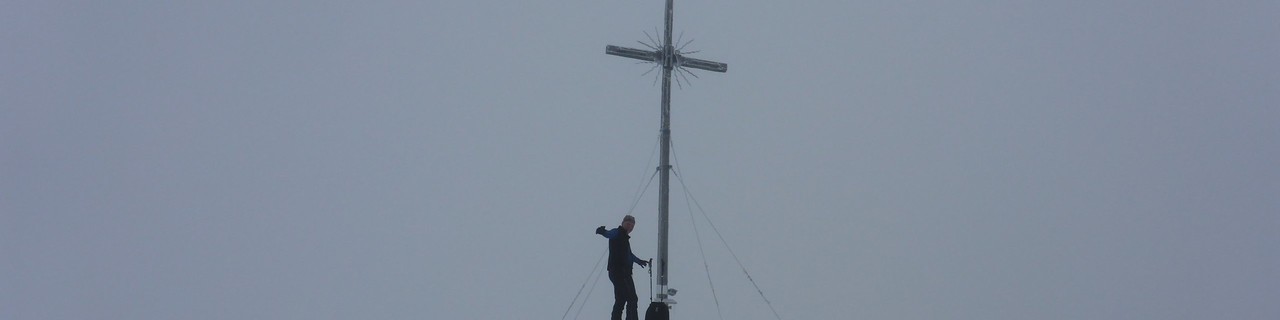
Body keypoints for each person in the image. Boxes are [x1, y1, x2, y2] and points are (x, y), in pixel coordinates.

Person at [595, 215, 649, 320]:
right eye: (628, 224)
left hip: (619, 272)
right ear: (623, 223)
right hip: (620, 271)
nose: (630, 227)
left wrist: (639, 261)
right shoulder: (618, 232)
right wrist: (603, 232)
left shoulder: (624, 238)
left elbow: (629, 255)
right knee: (632, 298)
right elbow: (610, 234)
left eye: (632, 225)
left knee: (621, 298)